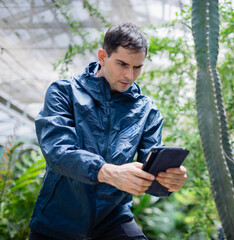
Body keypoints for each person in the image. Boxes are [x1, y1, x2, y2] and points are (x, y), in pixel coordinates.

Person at [29, 22, 187, 240]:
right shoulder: (63, 92)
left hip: (113, 219)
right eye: (122, 64)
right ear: (102, 56)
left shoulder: (147, 110)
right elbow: (58, 152)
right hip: (58, 221)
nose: (130, 75)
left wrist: (167, 181)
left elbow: (149, 170)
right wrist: (108, 172)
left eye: (137, 67)